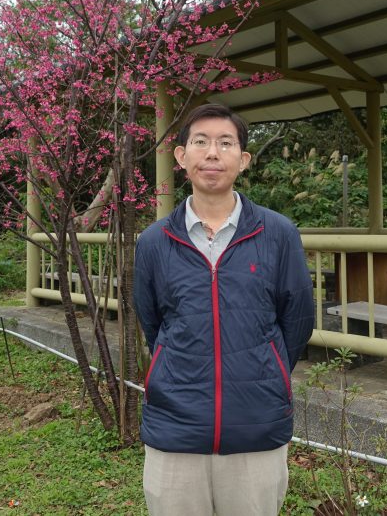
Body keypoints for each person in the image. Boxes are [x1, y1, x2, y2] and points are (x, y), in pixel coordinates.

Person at [133, 103, 315, 516]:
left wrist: (263, 368)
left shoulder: (279, 234)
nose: (212, 153)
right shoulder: (154, 242)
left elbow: (297, 321)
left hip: (256, 424)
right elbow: (152, 323)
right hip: (175, 428)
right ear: (181, 156)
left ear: (243, 159)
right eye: (200, 142)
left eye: (225, 143)